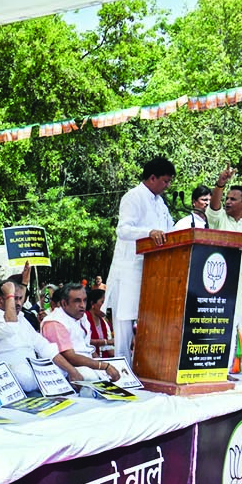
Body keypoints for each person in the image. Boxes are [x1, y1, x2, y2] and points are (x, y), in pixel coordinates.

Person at [104, 156, 175, 364]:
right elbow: (123, 230)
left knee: (148, 320)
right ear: (152, 178)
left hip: (153, 271)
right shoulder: (133, 197)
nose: (168, 186)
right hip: (129, 270)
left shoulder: (161, 203)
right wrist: (149, 233)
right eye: (165, 181)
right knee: (124, 323)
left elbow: (171, 230)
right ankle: (122, 370)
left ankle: (144, 367)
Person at [0, 280, 81, 393]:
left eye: (20, 298)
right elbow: (10, 327)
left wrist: (72, 371)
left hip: (35, 380)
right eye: (14, 298)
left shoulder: (22, 319)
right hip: (9, 386)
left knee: (66, 371)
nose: (19, 303)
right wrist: (10, 294)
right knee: (23, 374)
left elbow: (44, 347)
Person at [207, 167, 242, 323]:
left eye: (233, 199)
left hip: (238, 284)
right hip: (215, 282)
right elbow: (213, 207)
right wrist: (220, 183)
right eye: (227, 198)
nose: (227, 202)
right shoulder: (219, 219)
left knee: (234, 323)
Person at [39, 283, 122, 382]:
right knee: (92, 377)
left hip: (86, 365)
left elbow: (88, 348)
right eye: (77, 301)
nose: (82, 305)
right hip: (68, 371)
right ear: (64, 303)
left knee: (120, 373)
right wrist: (103, 366)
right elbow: (70, 357)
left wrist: (102, 364)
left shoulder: (82, 317)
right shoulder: (55, 322)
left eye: (85, 300)